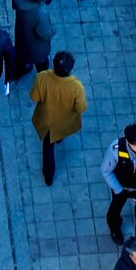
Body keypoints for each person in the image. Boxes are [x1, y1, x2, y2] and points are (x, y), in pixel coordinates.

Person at [31, 49, 87, 184]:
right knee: (60, 133)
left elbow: (34, 97)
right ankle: (59, 139)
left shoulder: (42, 77)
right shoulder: (76, 87)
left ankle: (48, 176)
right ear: (71, 69)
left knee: (48, 150)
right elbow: (81, 108)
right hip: (65, 122)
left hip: (47, 122)